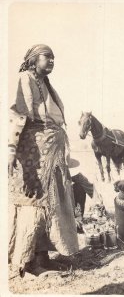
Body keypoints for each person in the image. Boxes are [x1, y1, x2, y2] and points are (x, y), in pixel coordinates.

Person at [8, 44, 79, 276]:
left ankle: (44, 258)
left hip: (52, 153)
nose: (51, 61)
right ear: (32, 59)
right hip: (34, 153)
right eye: (47, 57)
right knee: (35, 205)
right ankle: (28, 263)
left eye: (53, 58)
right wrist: (11, 149)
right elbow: (18, 114)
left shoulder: (45, 84)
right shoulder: (25, 79)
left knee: (50, 204)